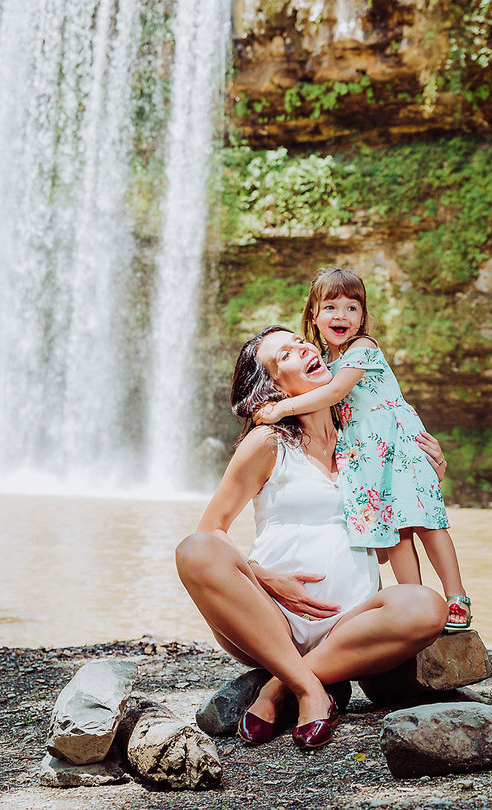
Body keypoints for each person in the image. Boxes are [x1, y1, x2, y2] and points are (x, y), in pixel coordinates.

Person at [175, 327, 448, 750]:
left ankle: (280, 686)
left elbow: (387, 540)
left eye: (301, 342)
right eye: (285, 355)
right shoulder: (268, 442)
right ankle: (311, 690)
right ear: (274, 387)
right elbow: (211, 527)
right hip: (271, 621)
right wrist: (264, 577)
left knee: (427, 605)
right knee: (194, 551)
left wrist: (426, 477)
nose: (303, 348)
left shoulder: (365, 439)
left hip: (351, 626)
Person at [255, 268, 472, 630]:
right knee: (395, 531)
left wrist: (280, 409)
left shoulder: (363, 348)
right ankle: (415, 604)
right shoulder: (322, 363)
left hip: (399, 445)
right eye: (330, 307)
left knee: (426, 522)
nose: (341, 315)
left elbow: (336, 393)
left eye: (351, 308)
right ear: (313, 314)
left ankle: (456, 597)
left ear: (362, 317)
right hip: (367, 457)